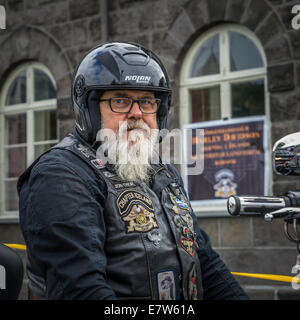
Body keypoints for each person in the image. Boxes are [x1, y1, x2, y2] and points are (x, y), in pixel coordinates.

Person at [17, 42, 248, 300]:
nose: (137, 113)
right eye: (120, 100)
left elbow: (207, 266)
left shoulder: (164, 174)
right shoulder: (60, 175)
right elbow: (81, 290)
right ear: (90, 110)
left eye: (148, 101)